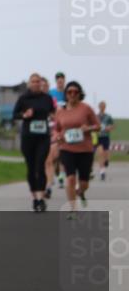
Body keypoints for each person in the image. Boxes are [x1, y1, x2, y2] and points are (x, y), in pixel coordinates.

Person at [52, 80, 100, 218]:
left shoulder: (86, 108)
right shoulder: (60, 112)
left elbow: (98, 126)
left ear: (80, 94)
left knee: (84, 183)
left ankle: (80, 192)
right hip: (67, 149)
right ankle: (73, 209)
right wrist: (57, 136)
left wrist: (88, 128)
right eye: (69, 92)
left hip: (85, 150)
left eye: (75, 92)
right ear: (66, 94)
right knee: (70, 178)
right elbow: (56, 130)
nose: (72, 94)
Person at [13, 73, 56, 212]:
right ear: (29, 84)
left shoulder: (47, 98)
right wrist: (24, 115)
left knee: (40, 166)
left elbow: (54, 114)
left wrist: (56, 123)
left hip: (43, 137)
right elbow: (15, 115)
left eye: (38, 81)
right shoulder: (23, 98)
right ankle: (34, 197)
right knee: (31, 168)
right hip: (28, 138)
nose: (36, 84)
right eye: (33, 81)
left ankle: (41, 198)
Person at [46, 72, 67, 193]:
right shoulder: (51, 93)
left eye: (62, 80)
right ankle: (53, 175)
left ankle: (60, 177)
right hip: (53, 126)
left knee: (62, 153)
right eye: (58, 79)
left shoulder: (68, 94)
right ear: (56, 81)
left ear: (64, 81)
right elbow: (48, 108)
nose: (60, 81)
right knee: (53, 154)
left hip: (65, 126)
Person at [96, 101, 115, 181]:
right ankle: (102, 172)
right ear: (99, 107)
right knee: (100, 153)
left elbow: (113, 125)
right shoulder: (95, 116)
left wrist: (109, 128)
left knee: (106, 153)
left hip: (105, 136)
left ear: (105, 107)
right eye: (100, 106)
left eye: (103, 106)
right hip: (98, 136)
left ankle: (106, 161)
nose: (101, 107)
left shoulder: (108, 116)